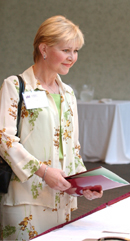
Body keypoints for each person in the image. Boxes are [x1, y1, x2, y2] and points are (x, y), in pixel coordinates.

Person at [0, 15, 103, 240]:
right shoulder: (15, 85)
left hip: (62, 200)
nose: (72, 57)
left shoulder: (68, 93)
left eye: (76, 51)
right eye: (66, 50)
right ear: (43, 48)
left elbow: (73, 146)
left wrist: (81, 183)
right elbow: (4, 140)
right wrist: (44, 172)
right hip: (25, 198)